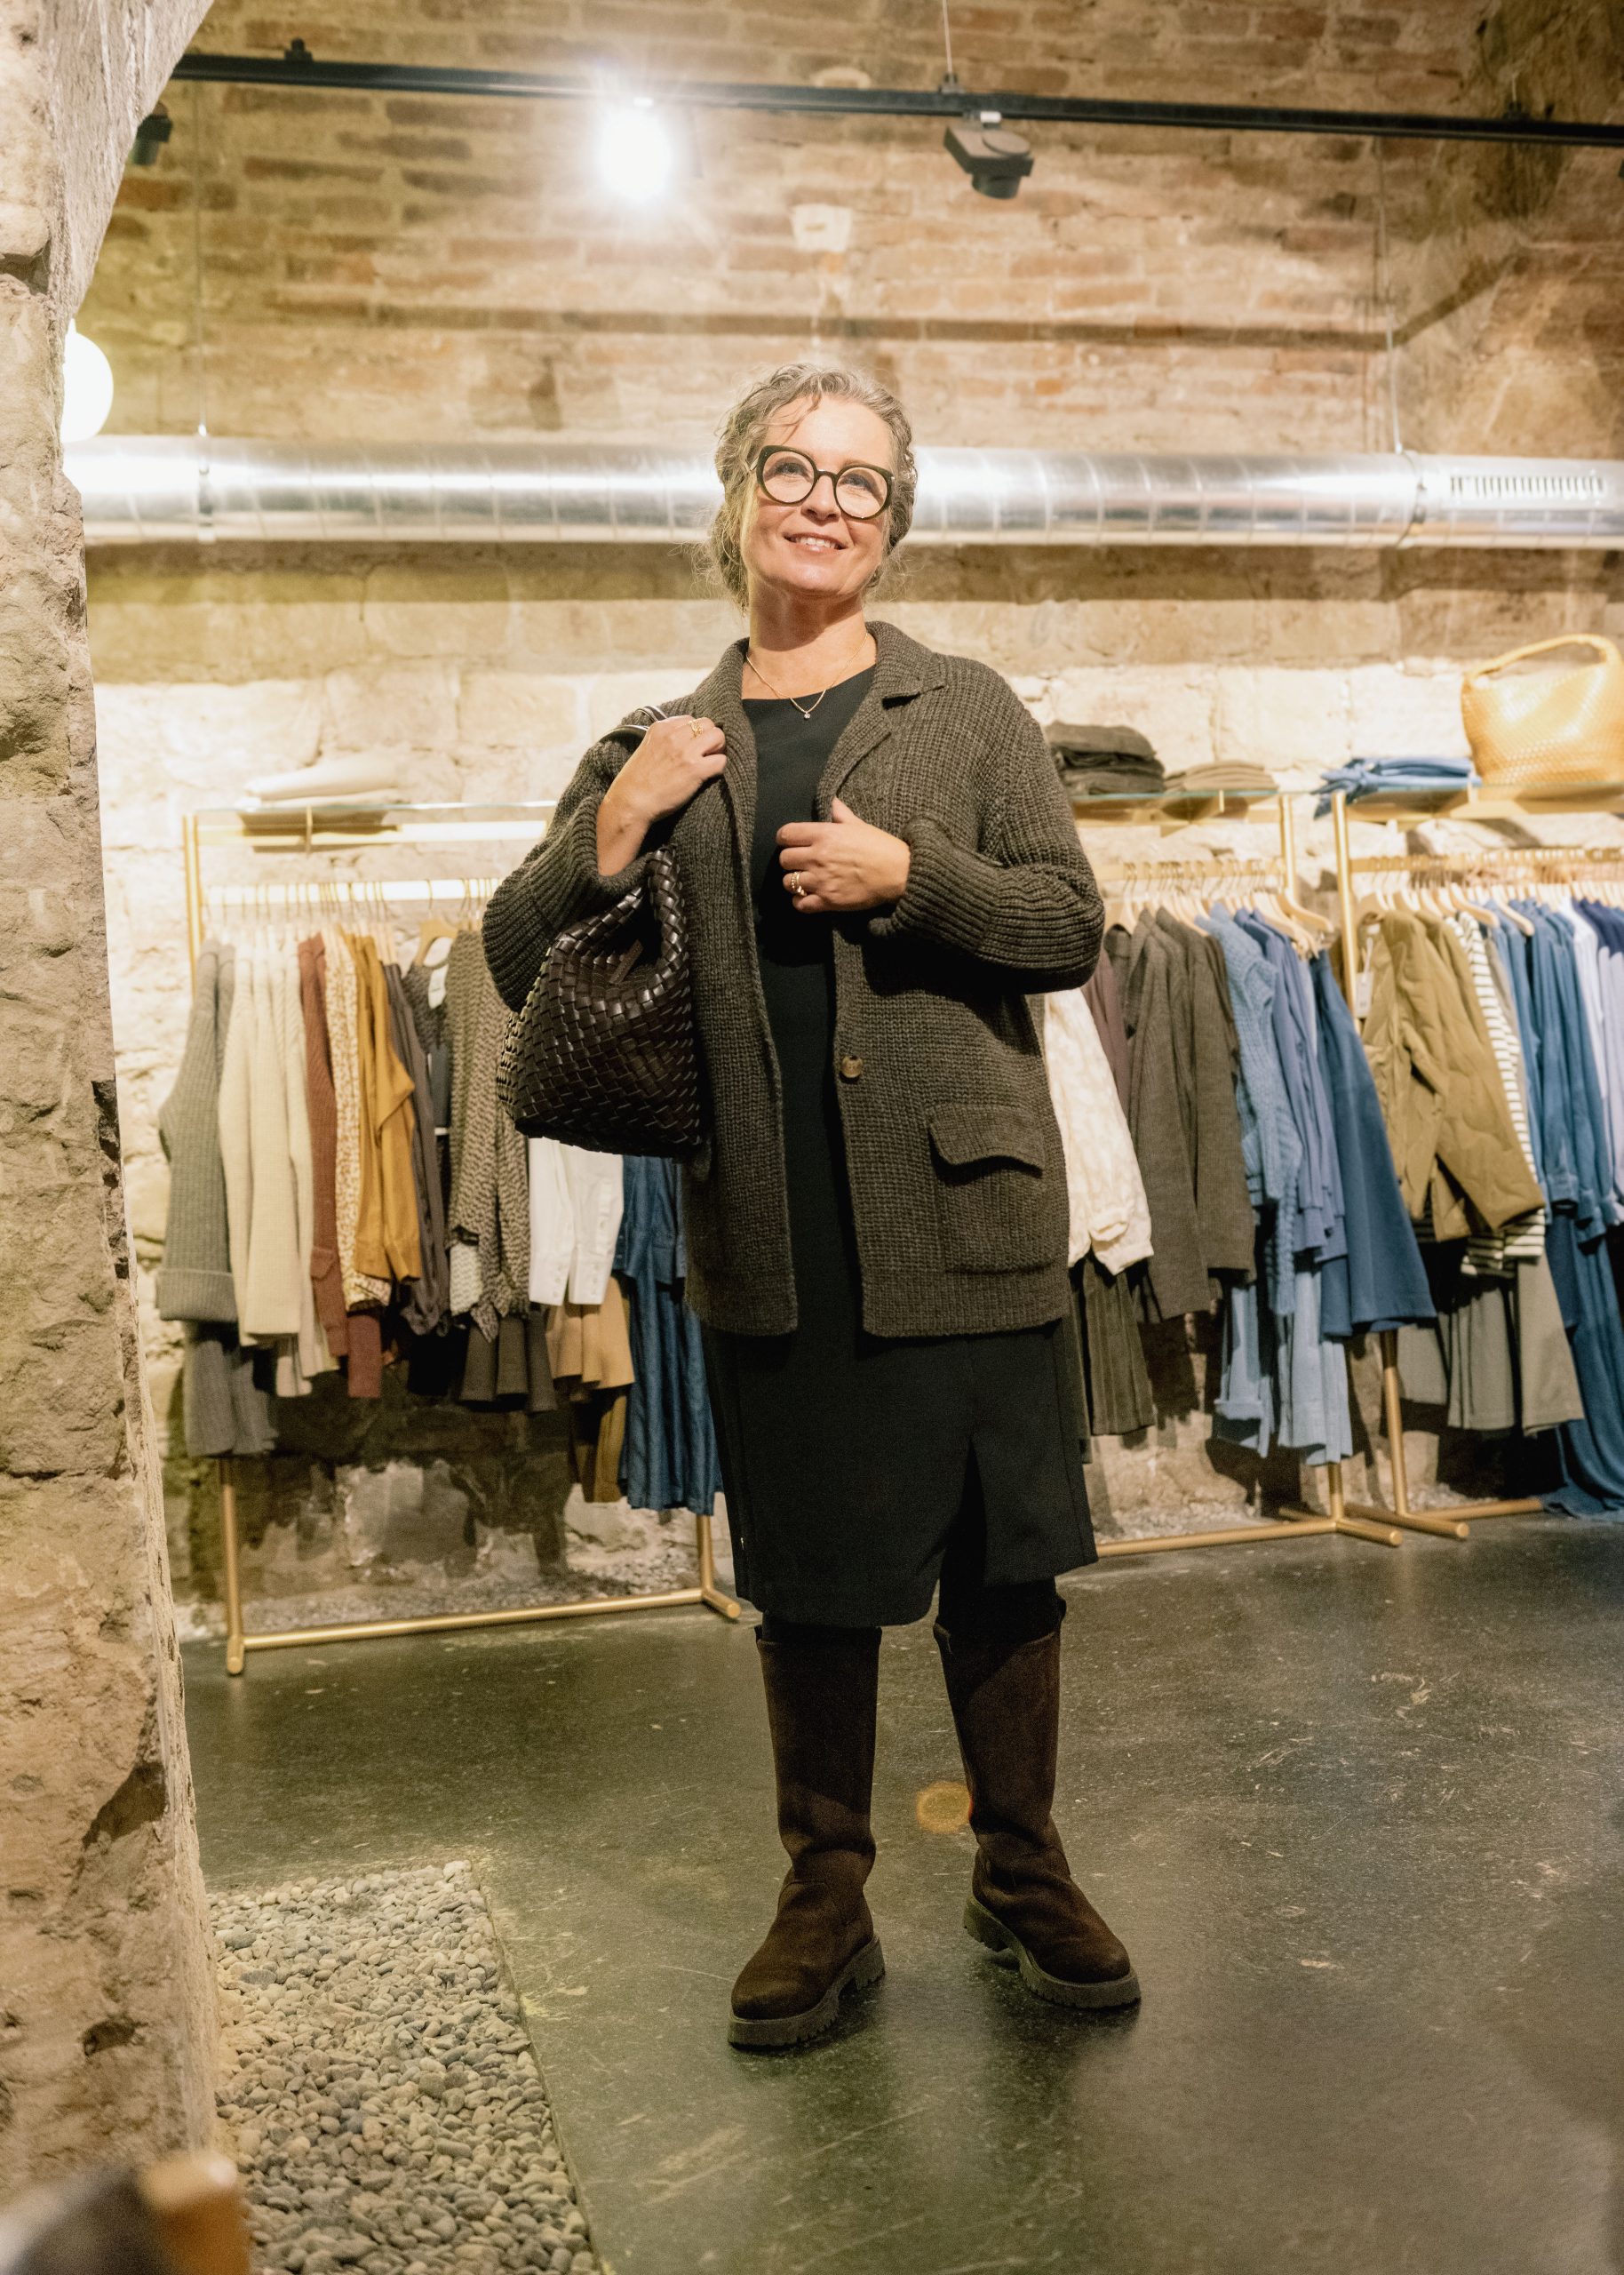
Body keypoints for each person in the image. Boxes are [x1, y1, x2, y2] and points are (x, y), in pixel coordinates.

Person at [483, 362, 1138, 2051]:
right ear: (738, 494)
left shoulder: (966, 711)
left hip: (965, 1215)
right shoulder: (658, 740)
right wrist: (614, 827)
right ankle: (825, 1897)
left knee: (1006, 1570)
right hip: (773, 1229)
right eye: (794, 468)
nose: (824, 503)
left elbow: (1068, 924)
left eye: (861, 481)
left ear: (893, 524)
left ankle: (1024, 1867)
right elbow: (511, 954)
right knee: (813, 1580)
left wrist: (911, 878)